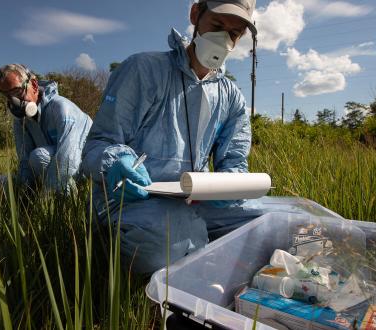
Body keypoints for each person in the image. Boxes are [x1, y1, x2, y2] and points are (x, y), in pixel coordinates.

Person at [82, 0, 276, 273]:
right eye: (217, 25)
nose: (223, 39)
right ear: (196, 14)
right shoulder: (144, 69)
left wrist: (227, 187)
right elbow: (97, 145)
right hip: (134, 201)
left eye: (233, 34)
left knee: (276, 220)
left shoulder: (230, 96)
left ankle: (203, 248)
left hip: (194, 202)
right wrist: (115, 163)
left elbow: (234, 159)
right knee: (165, 244)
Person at [0, 64, 92, 195]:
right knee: (32, 161)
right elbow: (25, 161)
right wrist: (22, 193)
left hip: (87, 167)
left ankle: (70, 201)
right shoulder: (21, 120)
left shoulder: (62, 109)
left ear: (34, 85)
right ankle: (59, 195)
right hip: (60, 168)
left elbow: (68, 160)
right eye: (7, 95)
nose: (13, 101)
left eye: (17, 92)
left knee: (39, 157)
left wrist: (45, 197)